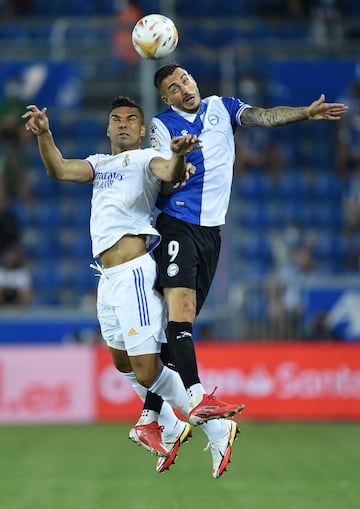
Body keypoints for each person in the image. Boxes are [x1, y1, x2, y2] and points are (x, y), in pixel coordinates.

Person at [135, 62, 348, 465]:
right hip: (176, 223)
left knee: (177, 328)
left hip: (211, 234)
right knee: (178, 318)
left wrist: (304, 112)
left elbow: (262, 117)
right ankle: (198, 400)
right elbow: (162, 175)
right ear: (165, 97)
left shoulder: (221, 107)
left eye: (185, 80)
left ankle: (153, 416)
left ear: (194, 80)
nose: (183, 89)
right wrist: (180, 162)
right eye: (173, 87)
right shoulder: (163, 126)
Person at [22, 96, 242, 479]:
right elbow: (57, 168)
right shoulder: (99, 163)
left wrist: (175, 156)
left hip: (134, 272)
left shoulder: (144, 159)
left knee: (145, 370)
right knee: (122, 364)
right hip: (106, 277)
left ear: (142, 130)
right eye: (116, 119)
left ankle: (217, 427)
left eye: (131, 119)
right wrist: (44, 134)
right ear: (108, 128)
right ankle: (172, 427)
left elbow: (168, 170)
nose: (123, 124)